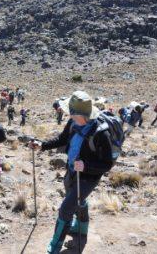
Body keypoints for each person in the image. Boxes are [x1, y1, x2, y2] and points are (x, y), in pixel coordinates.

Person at [30, 91, 113, 254]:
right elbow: (61, 140)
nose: (68, 113)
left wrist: (86, 166)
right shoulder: (73, 123)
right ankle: (81, 227)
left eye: (70, 111)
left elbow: (107, 164)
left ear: (78, 113)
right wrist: (42, 145)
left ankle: (55, 245)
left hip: (88, 178)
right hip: (71, 171)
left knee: (66, 209)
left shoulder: (101, 133)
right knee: (77, 201)